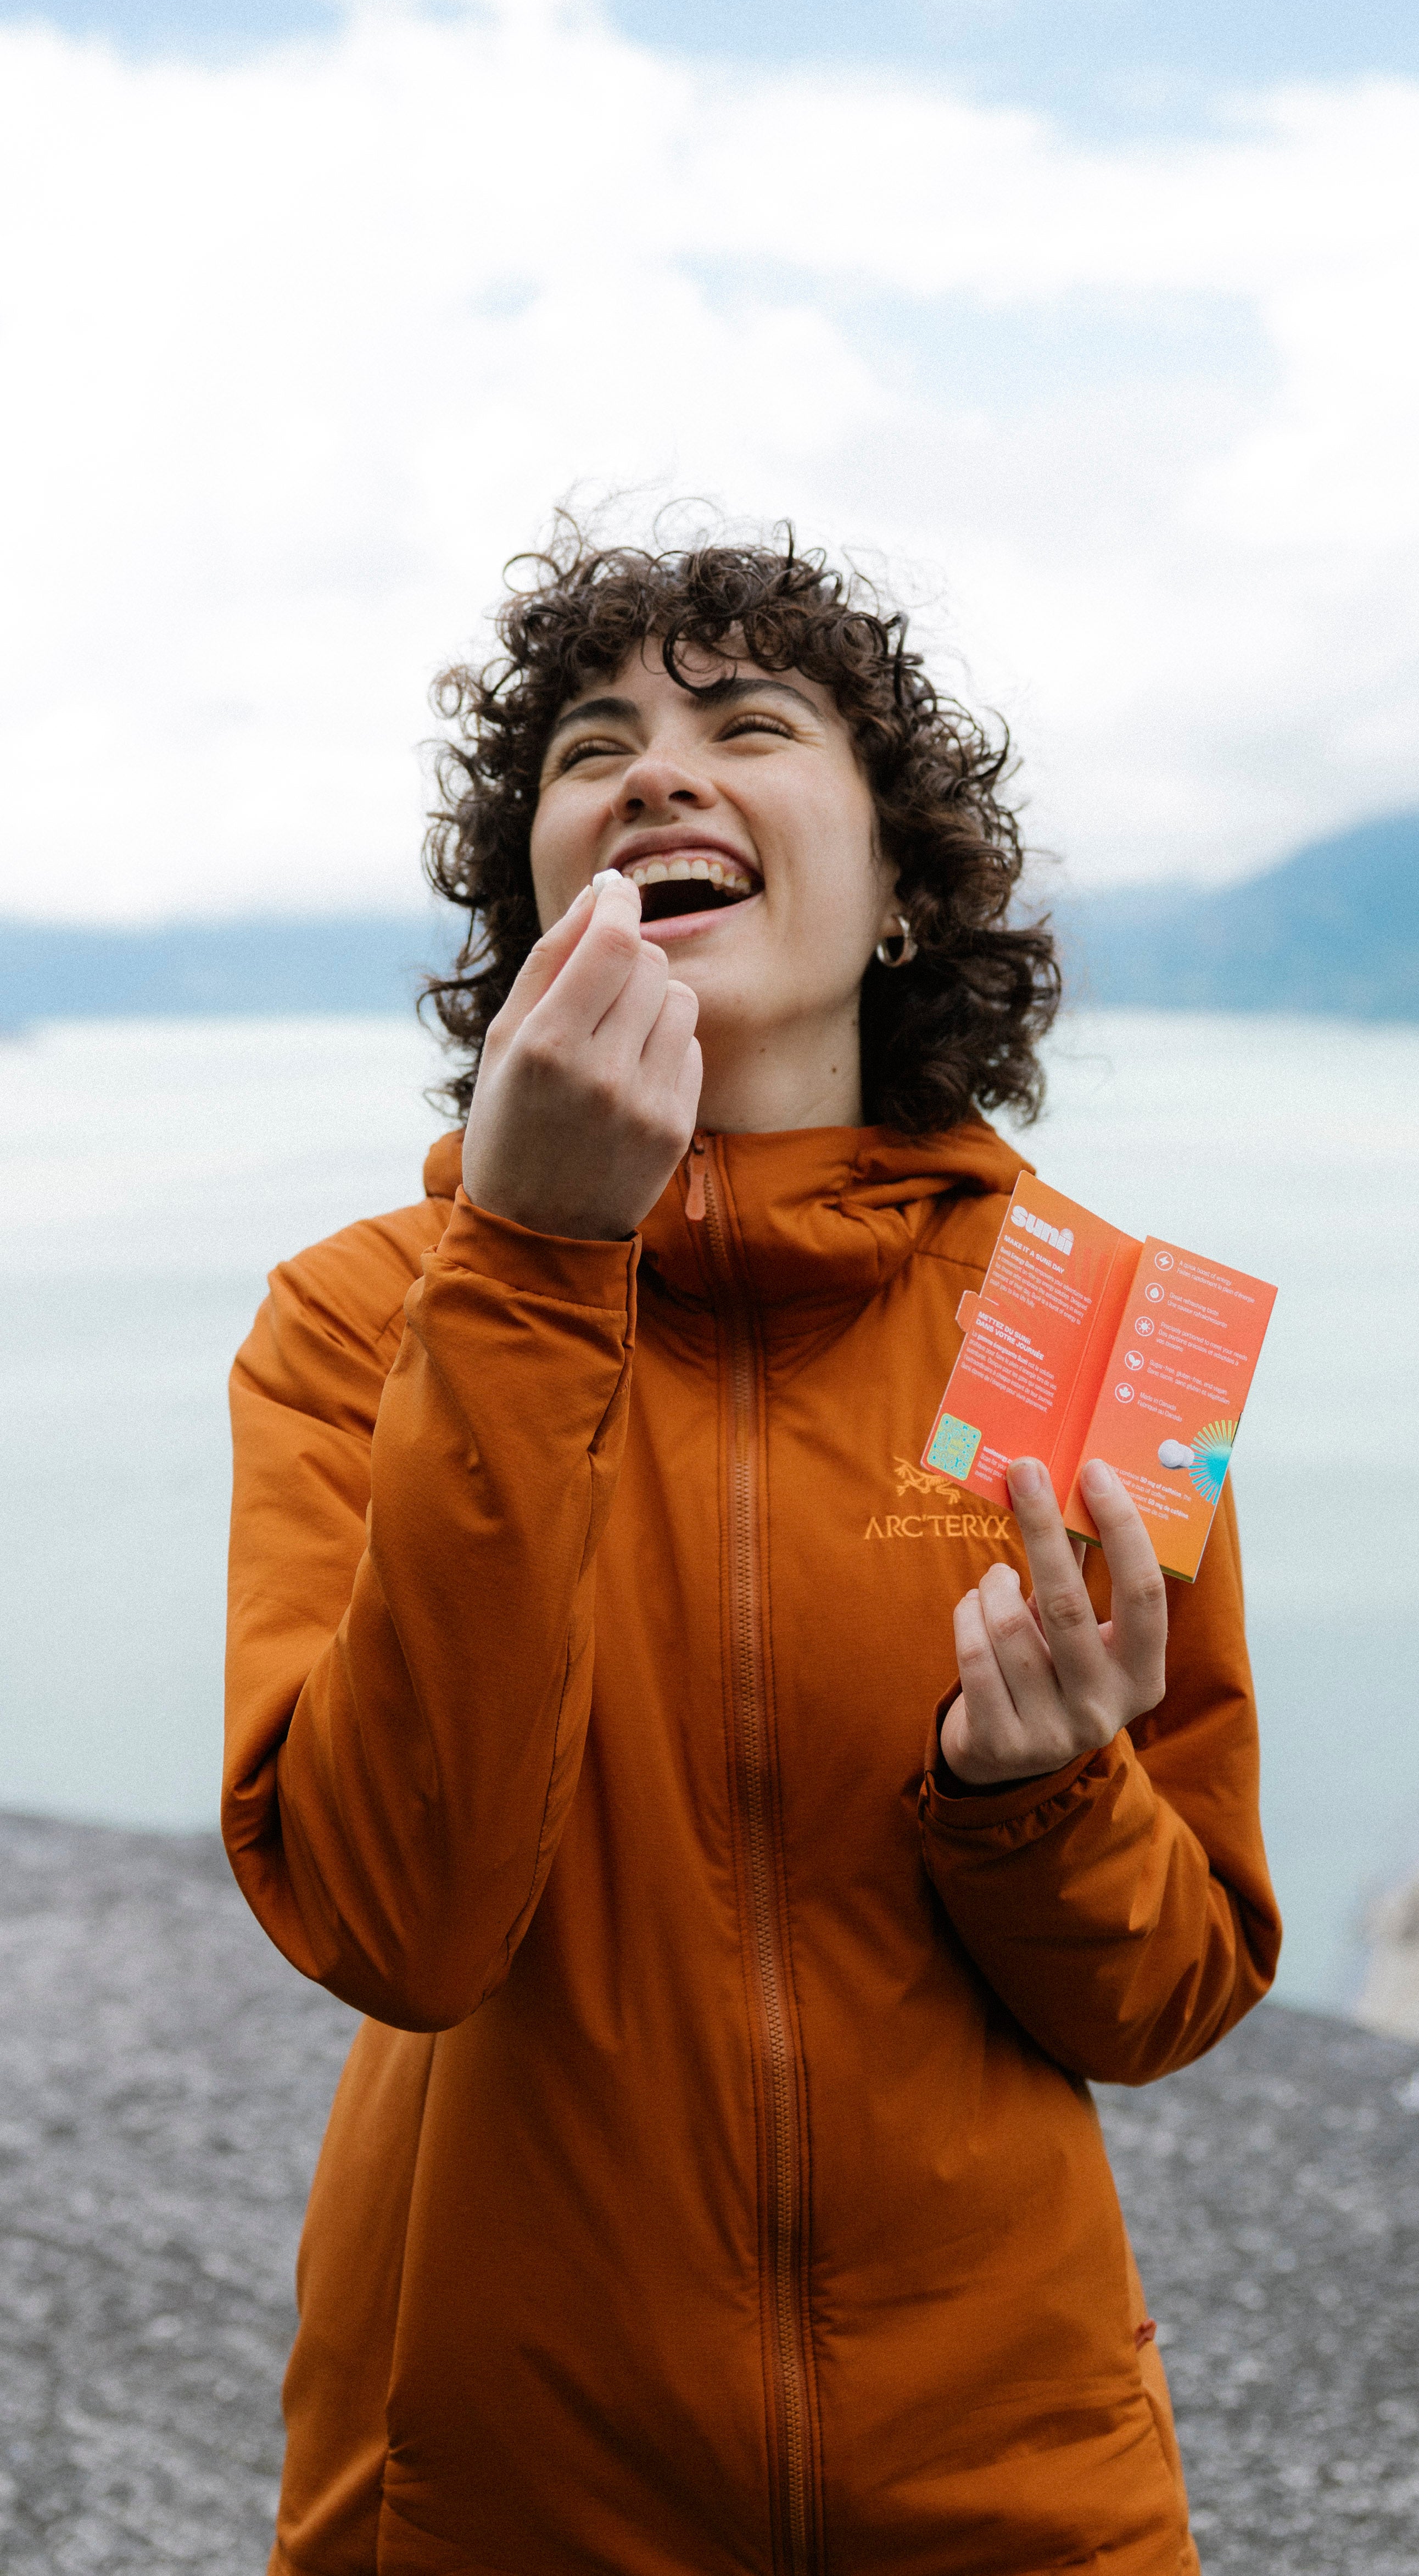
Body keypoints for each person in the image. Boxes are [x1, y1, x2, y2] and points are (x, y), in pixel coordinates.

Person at [223, 526, 1280, 2576]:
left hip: (1016, 2497)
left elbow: (1172, 1993)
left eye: (749, 725)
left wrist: (1036, 1795)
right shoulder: (365, 1319)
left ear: (899, 896)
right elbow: (398, 1920)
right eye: (589, 746)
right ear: (538, 900)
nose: (655, 772)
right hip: (492, 2495)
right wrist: (532, 1265)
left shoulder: (1097, 1331)